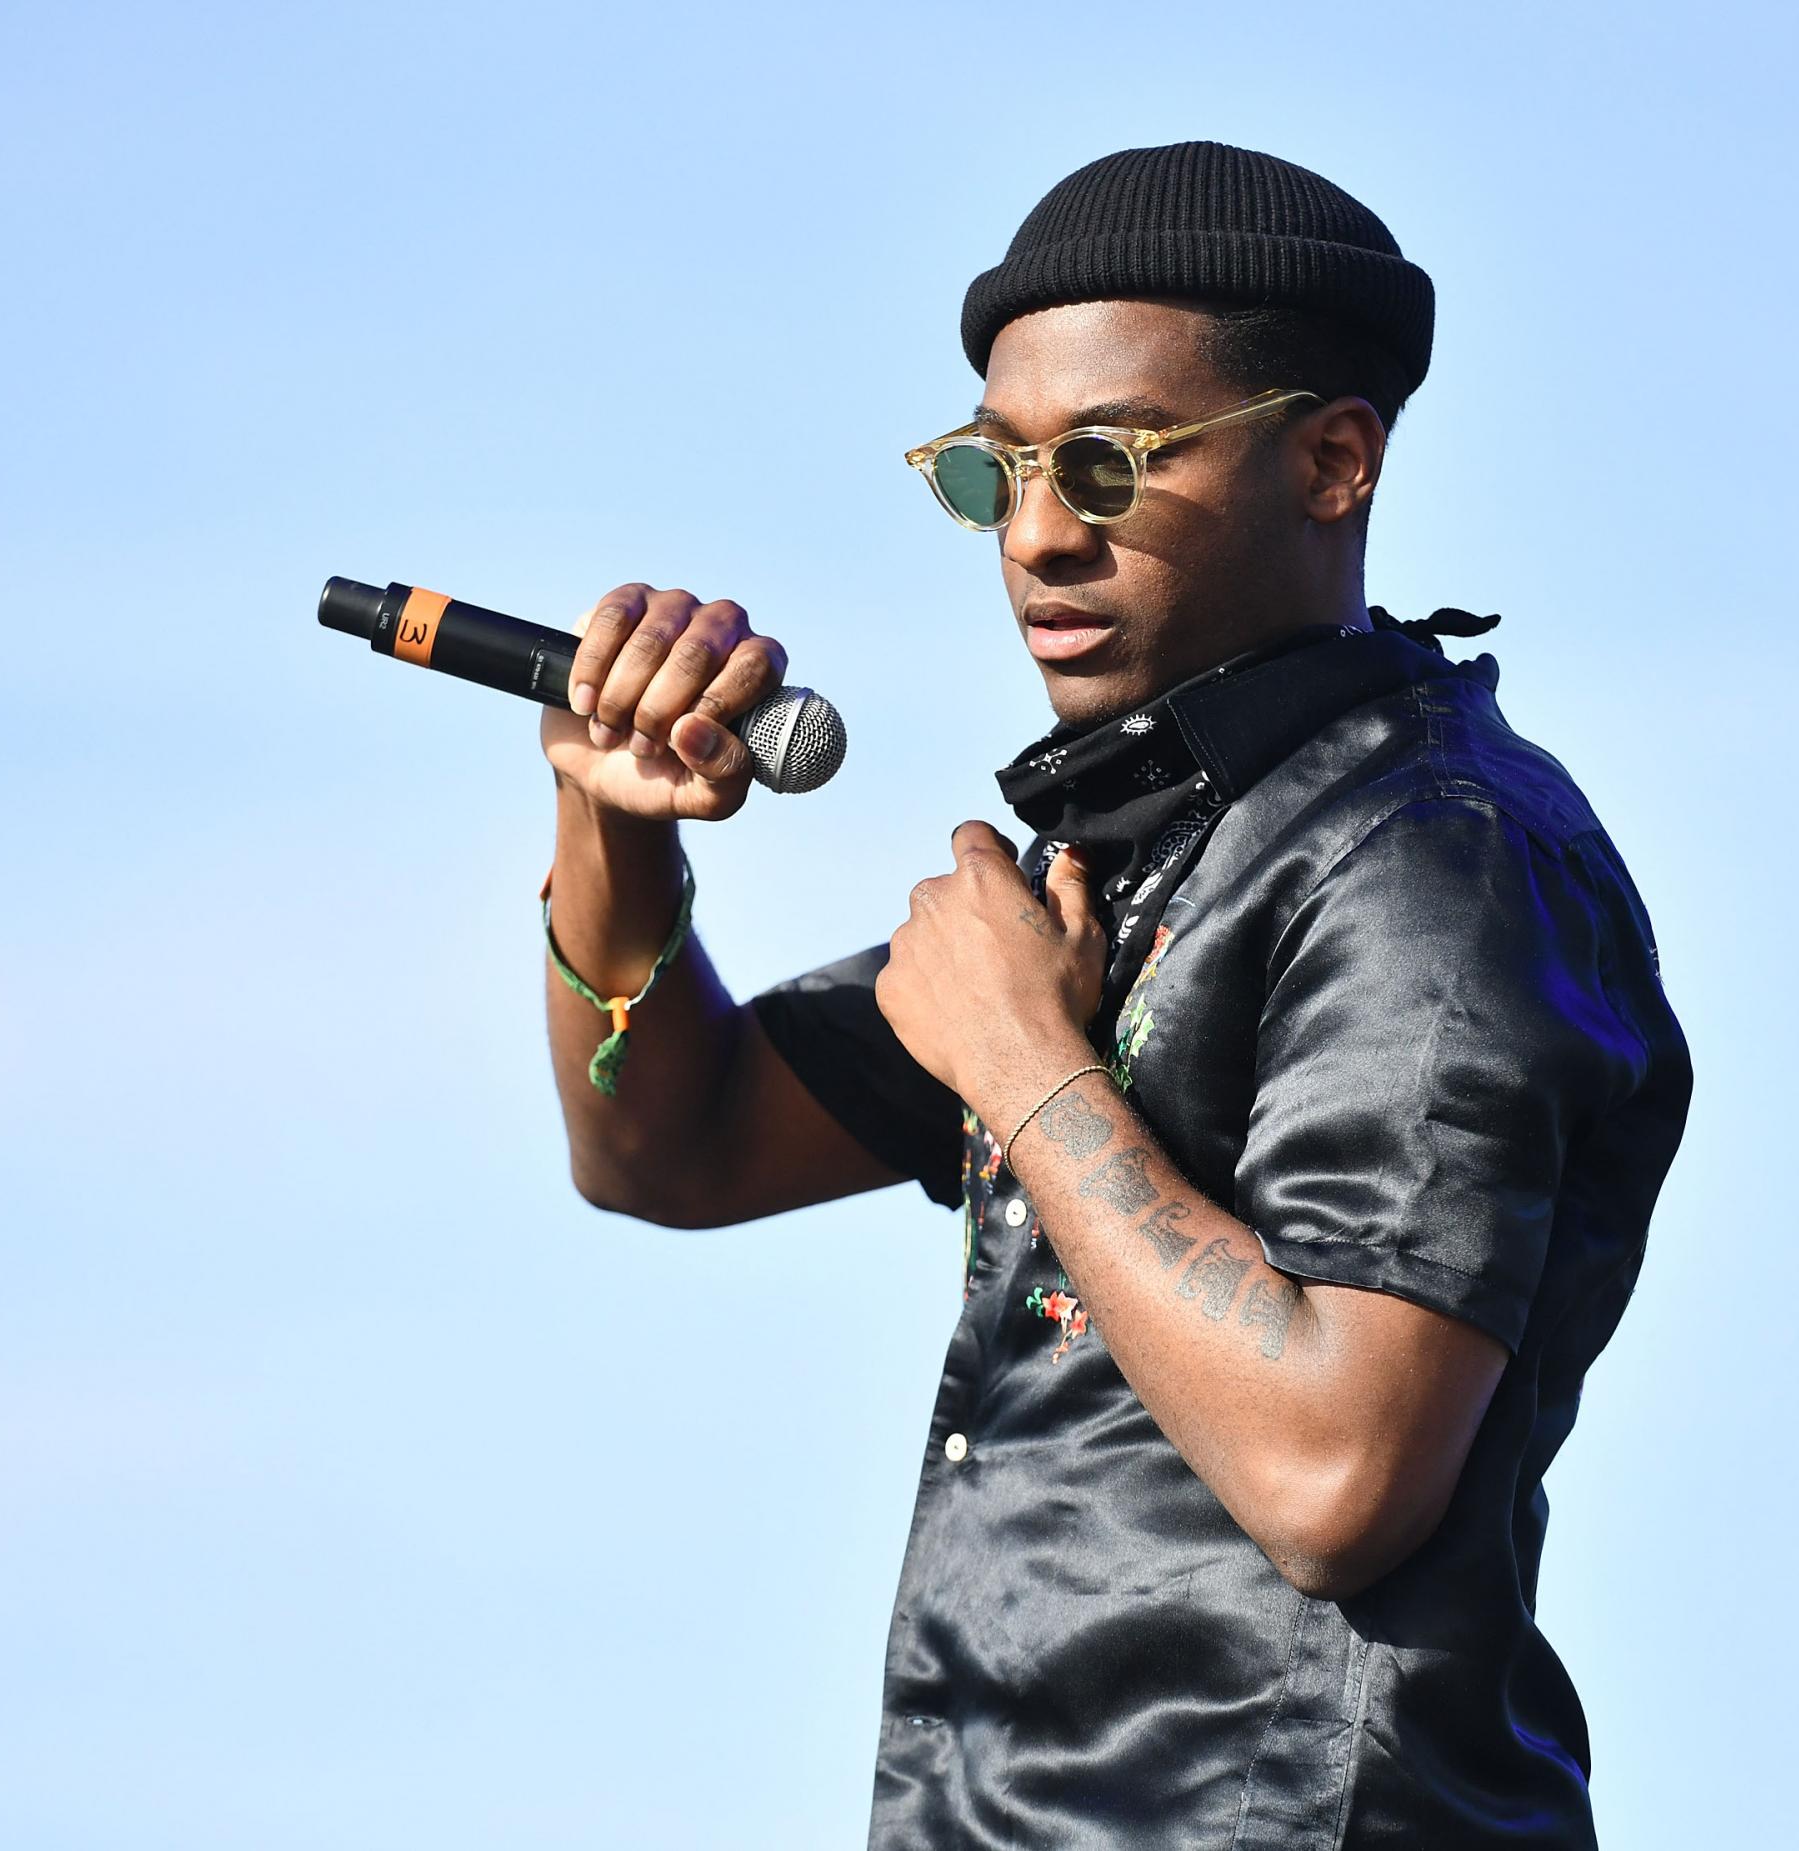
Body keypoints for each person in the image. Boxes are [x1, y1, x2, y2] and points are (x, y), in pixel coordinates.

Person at [537, 140, 1693, 1850]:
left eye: (1107, 460)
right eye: (988, 475)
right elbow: (669, 1151)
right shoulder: (1136, 865)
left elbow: (1337, 1476)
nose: (1036, 536)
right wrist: (608, 828)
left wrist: (1024, 1062)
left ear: (1333, 460)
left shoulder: (1431, 859)